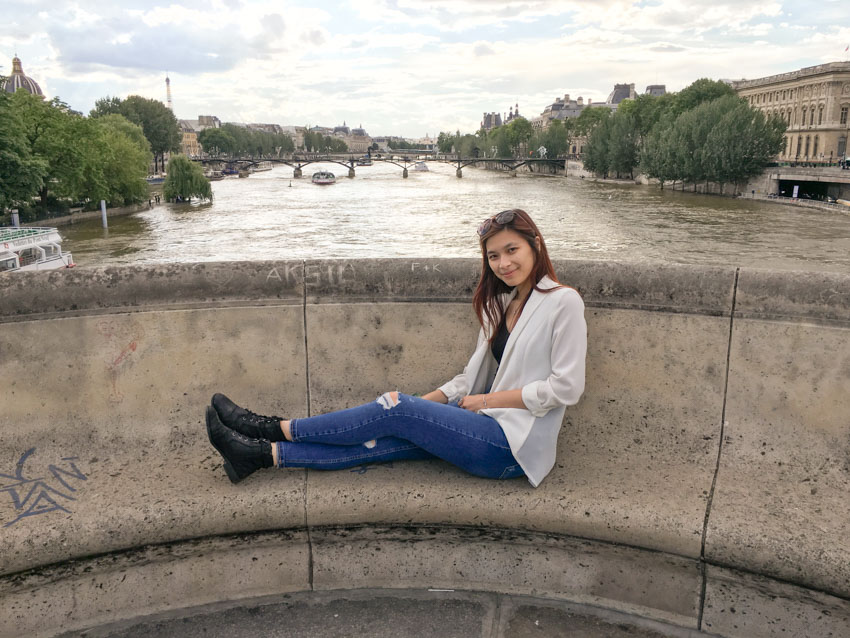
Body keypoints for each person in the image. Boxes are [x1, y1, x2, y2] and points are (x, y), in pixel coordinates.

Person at [205, 209, 587, 488]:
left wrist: (482, 403)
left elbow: (566, 388)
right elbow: (468, 381)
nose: (503, 263)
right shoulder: (502, 305)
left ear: (535, 245)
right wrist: (420, 408)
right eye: (493, 256)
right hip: (481, 425)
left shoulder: (562, 302)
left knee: (394, 405)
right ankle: (259, 456)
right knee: (387, 437)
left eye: (511, 250)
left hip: (510, 448)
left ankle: (270, 428)